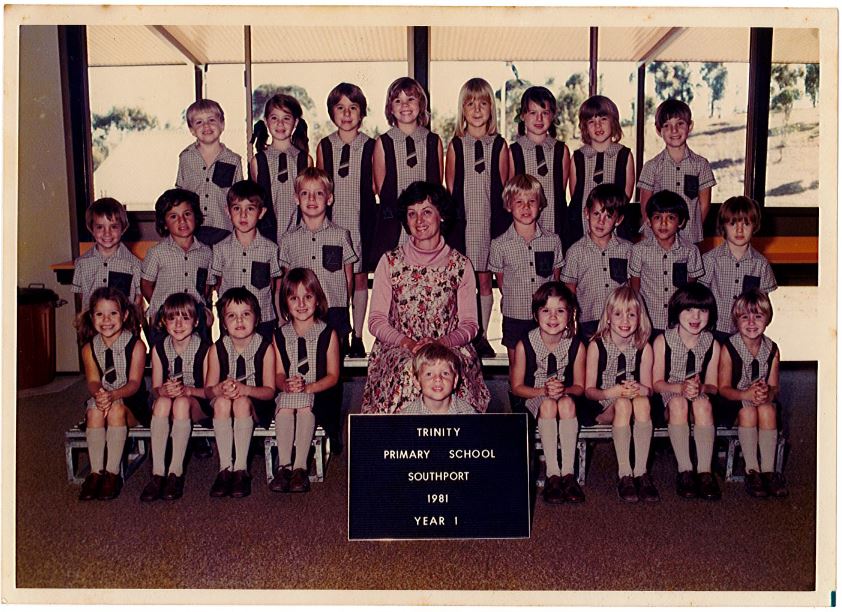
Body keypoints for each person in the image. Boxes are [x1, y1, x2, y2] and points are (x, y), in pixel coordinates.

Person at [361, 181, 490, 414]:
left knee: (445, 371)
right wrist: (409, 344)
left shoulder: (461, 265)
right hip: (400, 347)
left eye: (427, 212)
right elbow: (376, 321)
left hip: (449, 346)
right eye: (412, 214)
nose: (419, 220)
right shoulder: (389, 262)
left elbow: (470, 325)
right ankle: (405, 437)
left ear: (441, 216)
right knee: (409, 371)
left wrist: (441, 344)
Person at [445, 77, 510, 358]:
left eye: (483, 103)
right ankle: (464, 335)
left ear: (491, 108)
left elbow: (504, 185)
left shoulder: (500, 145)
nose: (477, 109)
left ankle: (483, 335)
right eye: (470, 104)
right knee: (464, 283)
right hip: (464, 225)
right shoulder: (456, 146)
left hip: (491, 223)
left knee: (486, 281)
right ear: (462, 109)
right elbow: (451, 188)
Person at [510, 282, 585, 504]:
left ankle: (568, 474)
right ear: (536, 315)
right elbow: (516, 387)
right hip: (533, 397)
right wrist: (542, 391)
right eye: (546, 311)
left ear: (570, 314)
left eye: (560, 310)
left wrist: (564, 390)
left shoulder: (576, 345)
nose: (553, 317)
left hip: (565, 397)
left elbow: (579, 387)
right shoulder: (525, 344)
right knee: (548, 405)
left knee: (566, 404)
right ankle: (553, 474)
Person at [316, 82, 376, 358]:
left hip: (361, 221)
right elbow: (320, 186)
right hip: (333, 224)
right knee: (336, 279)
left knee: (360, 279)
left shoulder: (371, 146)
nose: (347, 113)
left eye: (353, 107)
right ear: (332, 112)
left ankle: (358, 336)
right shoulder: (325, 146)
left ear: (362, 112)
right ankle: (336, 334)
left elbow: (376, 185)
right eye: (340, 108)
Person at [584, 286, 658, 503]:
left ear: (640, 318)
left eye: (631, 314)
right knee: (623, 404)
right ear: (608, 317)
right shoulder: (597, 345)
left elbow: (649, 389)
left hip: (634, 404)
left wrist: (639, 389)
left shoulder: (644, 347)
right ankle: (624, 473)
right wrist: (612, 392)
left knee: (642, 403)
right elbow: (589, 392)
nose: (625, 320)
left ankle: (641, 472)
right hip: (604, 406)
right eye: (618, 314)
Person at [270, 268, 341, 493]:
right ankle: (284, 466)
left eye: (307, 297)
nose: (301, 304)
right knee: (285, 404)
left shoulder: (328, 334)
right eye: (294, 298)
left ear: (317, 299)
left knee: (303, 404)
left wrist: (309, 388)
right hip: (290, 393)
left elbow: (333, 376)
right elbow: (278, 373)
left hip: (320, 393)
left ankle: (300, 466)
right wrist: (285, 384)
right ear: (285, 303)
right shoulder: (279, 335)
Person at [75, 287, 149, 501]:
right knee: (94, 412)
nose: (106, 320)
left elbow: (134, 383)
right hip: (104, 399)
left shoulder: (136, 345)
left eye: (113, 313)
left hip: (131, 404)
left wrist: (114, 395)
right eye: (100, 314)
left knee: (115, 410)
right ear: (92, 317)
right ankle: (96, 472)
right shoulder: (89, 348)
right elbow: (93, 381)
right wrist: (100, 395)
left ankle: (112, 473)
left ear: (124, 315)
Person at [204, 287, 276, 499]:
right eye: (231, 316)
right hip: (226, 405)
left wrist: (246, 390)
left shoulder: (266, 348)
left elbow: (270, 392)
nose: (239, 320)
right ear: (223, 323)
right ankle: (225, 468)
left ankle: (241, 469)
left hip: (256, 404)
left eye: (245, 314)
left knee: (242, 402)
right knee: (221, 403)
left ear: (257, 318)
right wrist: (219, 389)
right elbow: (208, 391)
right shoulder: (217, 349)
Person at [653, 284, 722, 501]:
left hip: (697, 396)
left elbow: (713, 386)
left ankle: (704, 471)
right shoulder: (663, 341)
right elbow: (657, 384)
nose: (696, 316)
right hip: (670, 397)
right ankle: (685, 470)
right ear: (677, 311)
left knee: (703, 404)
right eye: (689, 309)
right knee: (678, 403)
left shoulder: (712, 344)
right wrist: (679, 388)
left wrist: (701, 388)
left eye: (702, 310)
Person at [368, 77, 444, 271]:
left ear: (421, 104)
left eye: (410, 99)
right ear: (390, 109)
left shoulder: (433, 141)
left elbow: (437, 185)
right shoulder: (383, 143)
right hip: (394, 227)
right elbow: (381, 187)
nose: (405, 105)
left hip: (426, 226)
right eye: (398, 100)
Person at [717, 290, 787, 498]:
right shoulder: (729, 347)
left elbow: (775, 387)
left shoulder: (772, 349)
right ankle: (752, 471)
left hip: (760, 401)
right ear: (736, 320)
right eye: (744, 317)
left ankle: (768, 471)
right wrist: (745, 395)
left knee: (767, 410)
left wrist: (767, 394)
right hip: (734, 401)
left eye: (758, 316)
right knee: (748, 412)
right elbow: (723, 389)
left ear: (767, 319)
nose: (751, 322)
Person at [141, 293, 211, 502]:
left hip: (198, 405)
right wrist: (164, 390)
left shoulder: (206, 349)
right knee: (162, 402)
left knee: (180, 403)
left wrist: (187, 391)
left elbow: (210, 391)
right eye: (172, 318)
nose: (178, 324)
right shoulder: (159, 348)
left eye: (185, 318)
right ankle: (158, 473)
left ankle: (175, 472)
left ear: (196, 321)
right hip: (169, 403)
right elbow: (155, 388)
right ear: (164, 321)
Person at [278, 167, 357, 351]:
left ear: (329, 199)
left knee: (332, 360)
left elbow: (348, 278)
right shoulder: (288, 239)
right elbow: (286, 280)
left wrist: (342, 306)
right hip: (302, 310)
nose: (311, 199)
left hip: (334, 309)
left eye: (319, 193)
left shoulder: (341, 235)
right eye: (305, 193)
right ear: (296, 198)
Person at [489, 174, 564, 364]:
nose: (526, 207)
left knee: (545, 364)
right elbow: (502, 283)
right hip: (515, 315)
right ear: (509, 205)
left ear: (540, 205)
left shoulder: (552, 241)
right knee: (517, 366)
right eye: (519, 202)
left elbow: (555, 281)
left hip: (546, 317)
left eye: (531, 201)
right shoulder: (499, 244)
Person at [141, 188, 214, 348]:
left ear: (196, 217)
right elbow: (146, 285)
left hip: (195, 318)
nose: (182, 220)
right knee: (163, 355)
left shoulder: (206, 252)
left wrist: (201, 310)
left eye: (187, 214)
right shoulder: (157, 253)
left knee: (200, 355)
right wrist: (162, 308)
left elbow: (207, 287)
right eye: (173, 216)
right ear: (164, 224)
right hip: (165, 319)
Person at [560, 183, 633, 341]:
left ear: (618, 220)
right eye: (596, 214)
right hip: (587, 322)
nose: (601, 221)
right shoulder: (575, 252)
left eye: (608, 216)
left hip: (620, 321)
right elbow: (569, 290)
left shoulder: (628, 250)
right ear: (586, 213)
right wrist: (571, 322)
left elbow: (632, 287)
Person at [638, 99, 716, 245]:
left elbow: (704, 205)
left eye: (680, 124)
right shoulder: (651, 166)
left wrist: (693, 228)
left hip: (689, 239)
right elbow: (645, 204)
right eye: (667, 125)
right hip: (657, 239)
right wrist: (654, 229)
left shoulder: (701, 165)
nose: (674, 130)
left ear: (690, 126)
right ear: (658, 130)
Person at [211, 180, 282, 339]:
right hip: (232, 321)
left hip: (263, 319)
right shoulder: (220, 249)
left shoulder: (270, 249)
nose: (243, 215)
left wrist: (280, 316)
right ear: (228, 212)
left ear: (261, 213)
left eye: (250, 208)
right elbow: (218, 284)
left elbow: (273, 286)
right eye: (237, 208)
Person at [700, 195, 777, 341]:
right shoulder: (710, 259)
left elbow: (764, 306)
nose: (739, 230)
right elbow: (700, 299)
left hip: (746, 334)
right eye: (733, 224)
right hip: (713, 332)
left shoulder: (761, 264)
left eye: (746, 224)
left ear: (755, 226)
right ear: (723, 226)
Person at [630, 190, 704, 337]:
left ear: (681, 222)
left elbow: (690, 289)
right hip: (648, 321)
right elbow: (634, 289)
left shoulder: (690, 251)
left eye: (670, 217)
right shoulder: (639, 250)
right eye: (657, 217)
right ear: (648, 221)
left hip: (678, 322)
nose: (663, 223)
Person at [568, 95, 635, 248]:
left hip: (615, 229)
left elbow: (626, 195)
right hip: (583, 228)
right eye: (591, 122)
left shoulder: (624, 155)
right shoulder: (578, 157)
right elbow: (575, 195)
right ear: (585, 127)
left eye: (603, 119)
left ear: (613, 122)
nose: (598, 126)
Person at [508, 86, 570, 246]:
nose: (539, 119)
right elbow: (512, 193)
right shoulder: (514, 151)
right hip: (524, 229)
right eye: (533, 113)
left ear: (553, 115)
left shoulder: (561, 150)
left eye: (545, 113)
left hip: (555, 226)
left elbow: (561, 189)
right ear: (522, 115)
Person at [176, 98, 243, 246]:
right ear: (192, 130)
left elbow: (239, 198)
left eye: (211, 120)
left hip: (223, 227)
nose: (206, 125)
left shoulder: (233, 160)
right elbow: (180, 192)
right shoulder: (185, 158)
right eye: (199, 122)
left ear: (222, 124)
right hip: (192, 228)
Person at [249, 93, 313, 243]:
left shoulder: (305, 160)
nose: (280, 124)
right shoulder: (258, 161)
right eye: (274, 118)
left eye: (286, 118)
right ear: (266, 121)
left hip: (299, 236)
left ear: (295, 122)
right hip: (266, 237)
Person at [71, 197, 143, 313]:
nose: (107, 233)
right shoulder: (81, 264)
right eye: (100, 227)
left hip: (122, 323)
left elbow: (137, 301)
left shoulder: (134, 265)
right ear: (91, 228)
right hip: (93, 323)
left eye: (113, 226)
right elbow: (81, 297)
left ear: (123, 228)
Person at [401, 343, 477, 415]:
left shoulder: (468, 413)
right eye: (429, 374)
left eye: (445, 373)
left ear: (455, 380)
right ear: (417, 382)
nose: (438, 378)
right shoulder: (406, 417)